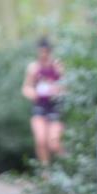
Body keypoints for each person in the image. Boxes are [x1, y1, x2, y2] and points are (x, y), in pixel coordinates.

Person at [21, 38, 65, 167]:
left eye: (45, 52)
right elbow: (26, 88)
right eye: (40, 52)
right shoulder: (34, 68)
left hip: (55, 107)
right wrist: (32, 93)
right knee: (40, 140)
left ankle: (67, 167)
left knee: (54, 143)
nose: (43, 55)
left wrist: (58, 90)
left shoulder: (58, 66)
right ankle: (45, 173)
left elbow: (68, 86)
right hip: (40, 106)